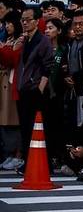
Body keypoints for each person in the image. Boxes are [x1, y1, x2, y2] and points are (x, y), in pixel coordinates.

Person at [16, 7, 54, 167]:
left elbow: (48, 66)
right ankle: (28, 161)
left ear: (37, 21)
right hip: (24, 90)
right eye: (22, 19)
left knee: (38, 128)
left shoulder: (43, 40)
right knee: (25, 128)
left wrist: (40, 88)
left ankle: (42, 162)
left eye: (28, 19)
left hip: (36, 91)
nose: (24, 22)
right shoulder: (25, 40)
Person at [42, 18, 70, 165]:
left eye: (51, 28)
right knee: (45, 126)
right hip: (43, 93)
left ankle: (58, 155)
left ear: (59, 31)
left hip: (59, 94)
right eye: (46, 28)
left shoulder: (64, 49)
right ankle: (47, 156)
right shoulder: (41, 48)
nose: (47, 30)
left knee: (58, 126)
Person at [0, 11, 24, 170]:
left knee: (13, 119)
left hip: (12, 82)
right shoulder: (7, 40)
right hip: (3, 81)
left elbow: (12, 59)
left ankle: (17, 154)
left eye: (9, 23)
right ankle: (8, 154)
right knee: (4, 120)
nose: (7, 26)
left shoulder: (21, 40)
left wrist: (2, 49)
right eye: (5, 24)